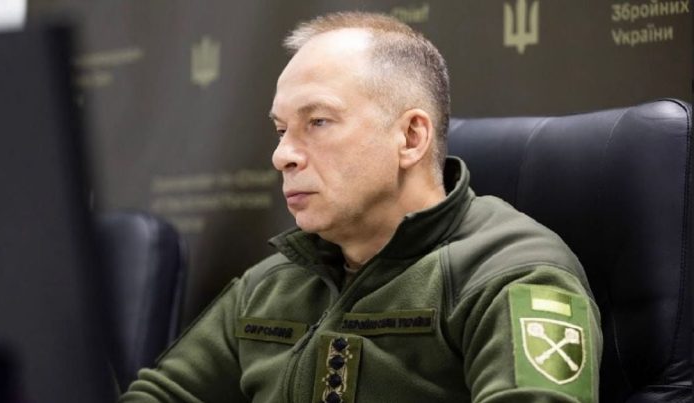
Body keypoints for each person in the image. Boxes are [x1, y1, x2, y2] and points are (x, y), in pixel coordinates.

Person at [120, 11, 601, 403]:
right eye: (281, 130)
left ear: (410, 137)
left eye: (318, 122)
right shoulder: (270, 284)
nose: (282, 155)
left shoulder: (513, 274)